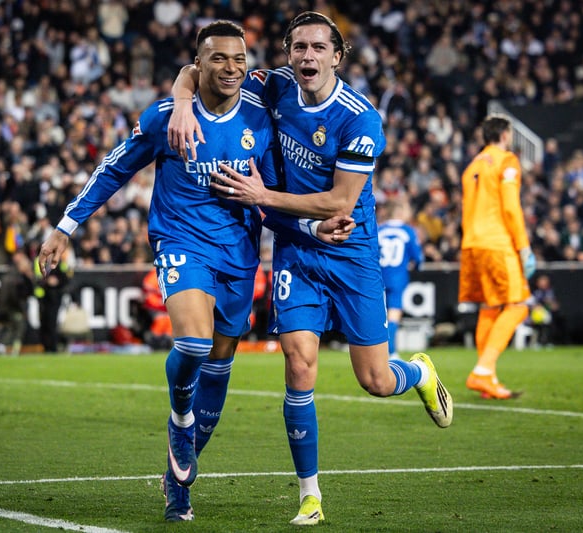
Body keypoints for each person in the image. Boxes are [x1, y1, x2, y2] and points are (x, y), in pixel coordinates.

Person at [37, 20, 354, 523]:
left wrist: (312, 229)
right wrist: (65, 226)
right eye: (218, 58)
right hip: (182, 243)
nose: (230, 68)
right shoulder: (166, 117)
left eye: (238, 59)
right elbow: (115, 168)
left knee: (218, 370)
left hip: (239, 256)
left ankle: (178, 483)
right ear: (198, 63)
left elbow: (269, 198)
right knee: (192, 344)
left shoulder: (260, 117)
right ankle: (179, 419)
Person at [168, 11, 452, 526]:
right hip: (296, 249)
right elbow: (199, 69)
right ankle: (310, 495)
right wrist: (183, 103)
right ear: (288, 53)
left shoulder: (360, 118)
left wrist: (262, 196)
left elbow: (340, 201)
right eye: (299, 47)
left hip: (351, 252)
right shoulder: (275, 85)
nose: (308, 56)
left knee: (375, 380)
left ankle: (418, 372)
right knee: (299, 364)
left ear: (337, 56)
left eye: (319, 48)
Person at [458, 114, 536, 400]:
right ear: (504, 135)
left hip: (472, 244)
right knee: (518, 306)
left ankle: (487, 378)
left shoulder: (472, 166)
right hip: (497, 243)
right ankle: (483, 370)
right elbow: (511, 207)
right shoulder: (507, 161)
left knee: (490, 308)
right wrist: (523, 247)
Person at [376, 197, 424, 360]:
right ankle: (391, 352)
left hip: (378, 277)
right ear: (400, 211)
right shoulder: (408, 231)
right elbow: (418, 258)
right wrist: (416, 266)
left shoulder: (379, 229)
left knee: (378, 316)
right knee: (394, 315)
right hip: (398, 277)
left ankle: (373, 351)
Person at [0, 250, 34, 356]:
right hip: (12, 307)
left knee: (15, 327)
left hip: (12, 307)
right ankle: (7, 346)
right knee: (18, 327)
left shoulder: (19, 276)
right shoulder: (16, 277)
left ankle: (9, 347)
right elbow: (15, 295)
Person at [33, 253, 70, 353]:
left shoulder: (60, 263)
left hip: (55, 297)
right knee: (44, 322)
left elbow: (66, 279)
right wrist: (46, 281)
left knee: (52, 322)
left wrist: (57, 281)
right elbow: (36, 279)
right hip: (43, 298)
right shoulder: (40, 262)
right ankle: (45, 346)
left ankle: (53, 347)